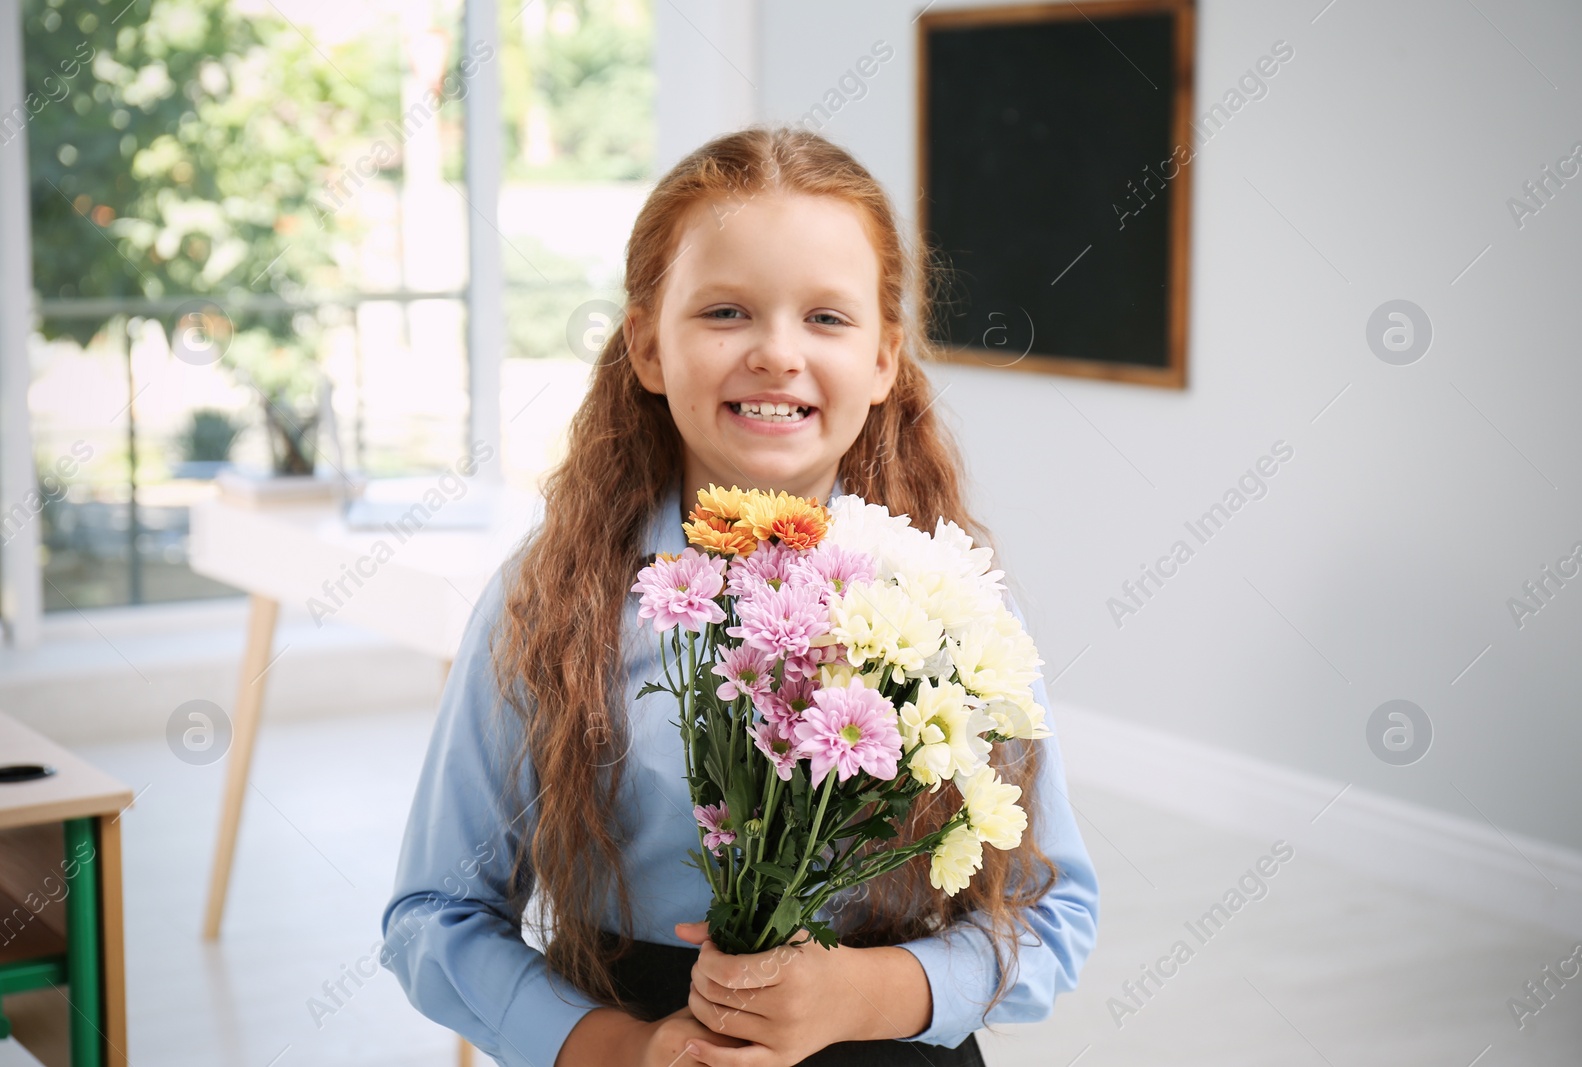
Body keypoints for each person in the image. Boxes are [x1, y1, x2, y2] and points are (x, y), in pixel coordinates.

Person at [380, 123, 1099, 1067]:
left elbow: (1057, 914)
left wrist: (862, 993)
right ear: (645, 346)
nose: (776, 353)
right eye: (725, 313)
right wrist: (624, 1049)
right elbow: (431, 915)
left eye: (827, 319)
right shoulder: (548, 597)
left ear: (885, 359)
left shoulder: (949, 603)